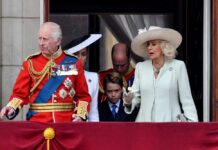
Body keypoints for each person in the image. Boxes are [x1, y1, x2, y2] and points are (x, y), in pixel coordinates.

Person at [0, 22, 91, 123]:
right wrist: (11, 107)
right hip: (37, 123)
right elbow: (19, 94)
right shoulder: (30, 63)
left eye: (45, 39)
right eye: (39, 38)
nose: (41, 43)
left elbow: (83, 96)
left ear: (58, 41)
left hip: (66, 123)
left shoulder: (73, 62)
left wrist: (80, 115)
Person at [123, 26, 198, 122]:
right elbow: (135, 97)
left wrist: (192, 123)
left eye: (153, 44)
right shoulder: (140, 67)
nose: (149, 47)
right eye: (148, 44)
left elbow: (186, 99)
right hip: (145, 125)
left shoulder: (178, 66)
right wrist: (129, 102)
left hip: (170, 124)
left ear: (163, 47)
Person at [65, 34, 102, 122]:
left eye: (83, 54)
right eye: (76, 54)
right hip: (63, 123)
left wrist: (80, 116)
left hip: (83, 125)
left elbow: (93, 111)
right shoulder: (62, 75)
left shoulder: (93, 77)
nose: (80, 58)